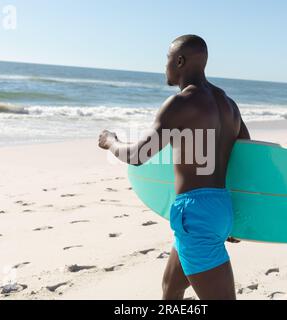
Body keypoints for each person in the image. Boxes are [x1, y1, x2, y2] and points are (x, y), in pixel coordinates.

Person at [99, 35, 250, 300]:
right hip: (220, 208)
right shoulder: (229, 105)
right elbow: (246, 160)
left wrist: (111, 142)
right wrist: (237, 219)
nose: (165, 66)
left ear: (179, 61)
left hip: (194, 215)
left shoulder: (180, 103)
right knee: (171, 287)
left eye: (167, 59)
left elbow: (138, 155)